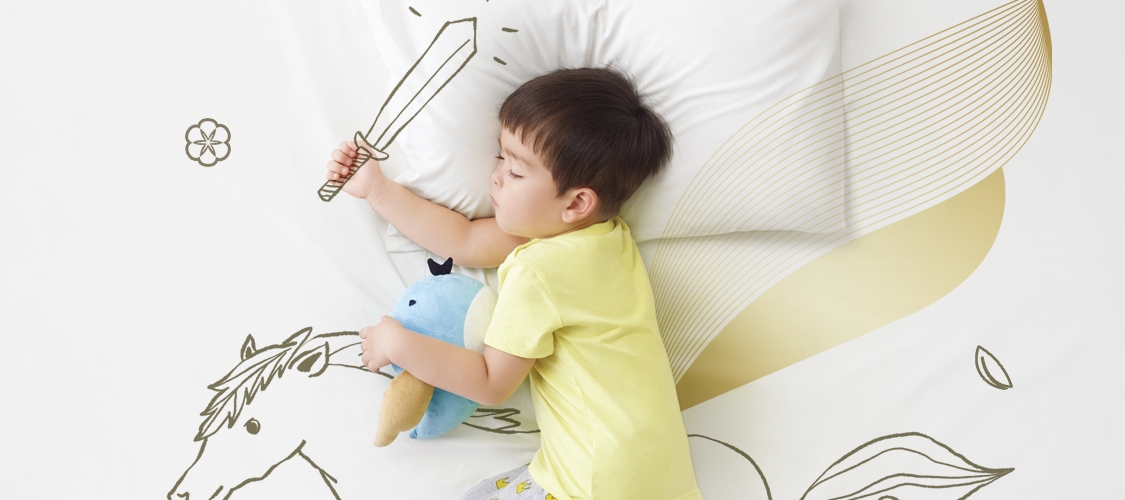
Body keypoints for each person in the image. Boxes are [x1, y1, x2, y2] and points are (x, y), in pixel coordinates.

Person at [326, 67, 702, 500]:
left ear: (577, 202)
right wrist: (376, 189)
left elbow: (490, 382)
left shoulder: (536, 272)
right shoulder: (610, 241)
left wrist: (398, 343)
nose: (496, 175)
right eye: (499, 156)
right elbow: (463, 241)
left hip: (590, 484)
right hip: (665, 482)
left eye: (517, 171)